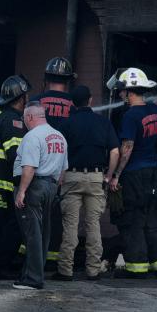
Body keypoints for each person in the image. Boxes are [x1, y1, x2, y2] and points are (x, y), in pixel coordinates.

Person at [109, 68, 157, 279]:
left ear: (130, 92)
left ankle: (137, 267)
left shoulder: (130, 116)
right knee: (152, 217)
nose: (120, 95)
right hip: (151, 173)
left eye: (122, 91)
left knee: (133, 220)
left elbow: (127, 147)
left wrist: (116, 174)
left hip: (134, 174)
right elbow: (156, 105)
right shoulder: (153, 112)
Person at [53, 85, 119, 281]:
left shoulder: (66, 125)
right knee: (93, 226)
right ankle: (93, 270)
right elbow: (115, 151)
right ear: (90, 100)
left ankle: (65, 271)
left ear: (72, 102)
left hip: (71, 178)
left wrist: (61, 176)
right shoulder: (103, 123)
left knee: (70, 226)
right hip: (96, 178)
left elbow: (60, 153)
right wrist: (108, 175)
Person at [13, 102, 68, 290]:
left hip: (35, 186)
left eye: (24, 119)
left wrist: (22, 191)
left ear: (29, 117)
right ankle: (33, 274)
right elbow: (63, 170)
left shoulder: (32, 136)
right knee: (43, 233)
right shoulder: (60, 136)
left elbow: (29, 167)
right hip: (51, 186)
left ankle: (33, 279)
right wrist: (54, 188)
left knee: (32, 233)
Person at [31, 56, 76, 268]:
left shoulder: (37, 101)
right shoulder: (74, 105)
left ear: (47, 77)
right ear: (68, 81)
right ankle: (52, 256)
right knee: (57, 214)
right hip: (64, 167)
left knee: (35, 212)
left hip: (38, 166)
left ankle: (33, 256)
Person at [0, 74, 31, 280]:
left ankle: (1, 263)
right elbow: (16, 154)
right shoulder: (13, 120)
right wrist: (23, 182)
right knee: (12, 227)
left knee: (5, 225)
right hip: (7, 184)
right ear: (20, 98)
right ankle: (0, 265)